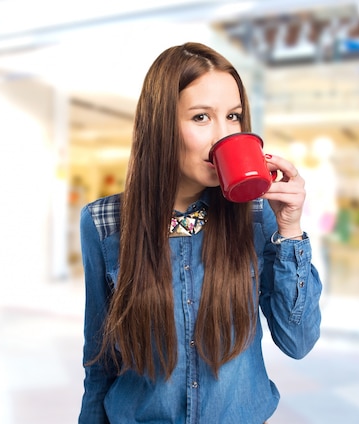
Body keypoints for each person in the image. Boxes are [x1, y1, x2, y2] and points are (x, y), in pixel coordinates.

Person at [78, 42, 322, 424]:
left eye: (234, 116)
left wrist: (290, 230)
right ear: (161, 125)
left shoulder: (258, 215)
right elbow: (100, 359)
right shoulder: (105, 222)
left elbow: (298, 342)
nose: (223, 137)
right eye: (201, 118)